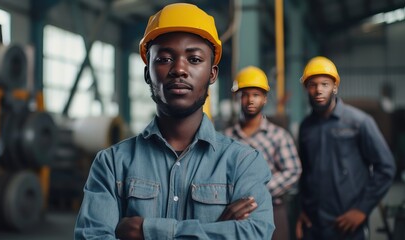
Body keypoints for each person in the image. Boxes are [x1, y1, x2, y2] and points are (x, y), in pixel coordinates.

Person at [74, 3, 275, 239]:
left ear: (212, 73)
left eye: (195, 59)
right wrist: (218, 229)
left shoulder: (243, 163)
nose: (179, 69)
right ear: (148, 72)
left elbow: (254, 233)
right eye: (165, 59)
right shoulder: (112, 164)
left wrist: (147, 230)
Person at [295, 56, 396, 240]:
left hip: (347, 224)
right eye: (312, 84)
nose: (318, 90)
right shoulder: (306, 127)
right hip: (313, 225)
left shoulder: (360, 122)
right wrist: (302, 210)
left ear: (335, 87)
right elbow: (305, 172)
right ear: (306, 89)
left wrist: (361, 210)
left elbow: (386, 168)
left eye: (325, 84)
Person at [224, 66, 302, 240]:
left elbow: (293, 170)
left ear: (265, 99)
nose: (250, 100)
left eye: (256, 95)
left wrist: (255, 194)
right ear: (237, 98)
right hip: (235, 215)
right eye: (244, 94)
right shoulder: (226, 138)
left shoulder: (279, 136)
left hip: (274, 211)